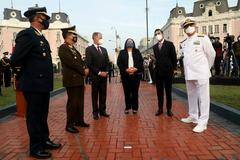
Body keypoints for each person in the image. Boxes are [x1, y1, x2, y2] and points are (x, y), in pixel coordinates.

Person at [10, 6, 61, 158]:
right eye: (45, 18)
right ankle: (35, 148)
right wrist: (26, 74)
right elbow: (15, 59)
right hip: (33, 84)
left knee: (42, 115)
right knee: (34, 117)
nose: (46, 21)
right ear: (38, 18)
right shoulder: (27, 34)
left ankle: (44, 140)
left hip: (42, 84)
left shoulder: (40, 36)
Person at [180, 17, 216, 133]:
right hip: (189, 73)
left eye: (190, 25)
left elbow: (211, 54)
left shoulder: (203, 38)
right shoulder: (184, 43)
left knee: (203, 98)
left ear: (195, 26)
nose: (189, 28)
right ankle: (193, 116)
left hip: (201, 73)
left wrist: (207, 68)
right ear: (184, 29)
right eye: (186, 26)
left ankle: (203, 122)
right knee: (191, 95)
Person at [58, 26, 90, 134]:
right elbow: (71, 63)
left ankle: (79, 121)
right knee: (72, 103)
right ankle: (69, 125)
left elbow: (80, 61)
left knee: (79, 102)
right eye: (73, 35)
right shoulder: (63, 48)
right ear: (67, 36)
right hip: (71, 80)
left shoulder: (74, 49)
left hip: (79, 80)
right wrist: (83, 70)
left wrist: (85, 67)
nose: (74, 36)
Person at [85, 32, 110, 120]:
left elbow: (107, 62)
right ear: (95, 38)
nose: (101, 39)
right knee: (95, 95)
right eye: (100, 37)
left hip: (104, 76)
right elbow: (89, 64)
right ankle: (95, 112)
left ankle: (102, 111)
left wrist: (106, 71)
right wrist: (99, 72)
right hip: (95, 76)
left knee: (103, 94)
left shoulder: (104, 49)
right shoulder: (89, 49)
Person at [153, 29, 177, 117]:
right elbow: (157, 59)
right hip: (158, 72)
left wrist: (174, 69)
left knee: (168, 91)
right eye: (156, 34)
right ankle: (160, 109)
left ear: (162, 34)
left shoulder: (169, 44)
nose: (157, 35)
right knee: (159, 92)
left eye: (158, 33)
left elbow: (174, 57)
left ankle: (169, 109)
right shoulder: (155, 47)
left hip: (168, 72)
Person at [117, 38, 143, 114]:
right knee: (127, 92)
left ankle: (135, 108)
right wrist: (126, 69)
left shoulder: (137, 51)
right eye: (128, 42)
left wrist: (136, 68)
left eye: (131, 42)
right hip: (126, 76)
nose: (130, 43)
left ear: (133, 43)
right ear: (126, 43)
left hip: (136, 75)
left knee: (135, 92)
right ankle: (127, 107)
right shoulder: (122, 52)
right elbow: (119, 63)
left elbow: (140, 62)